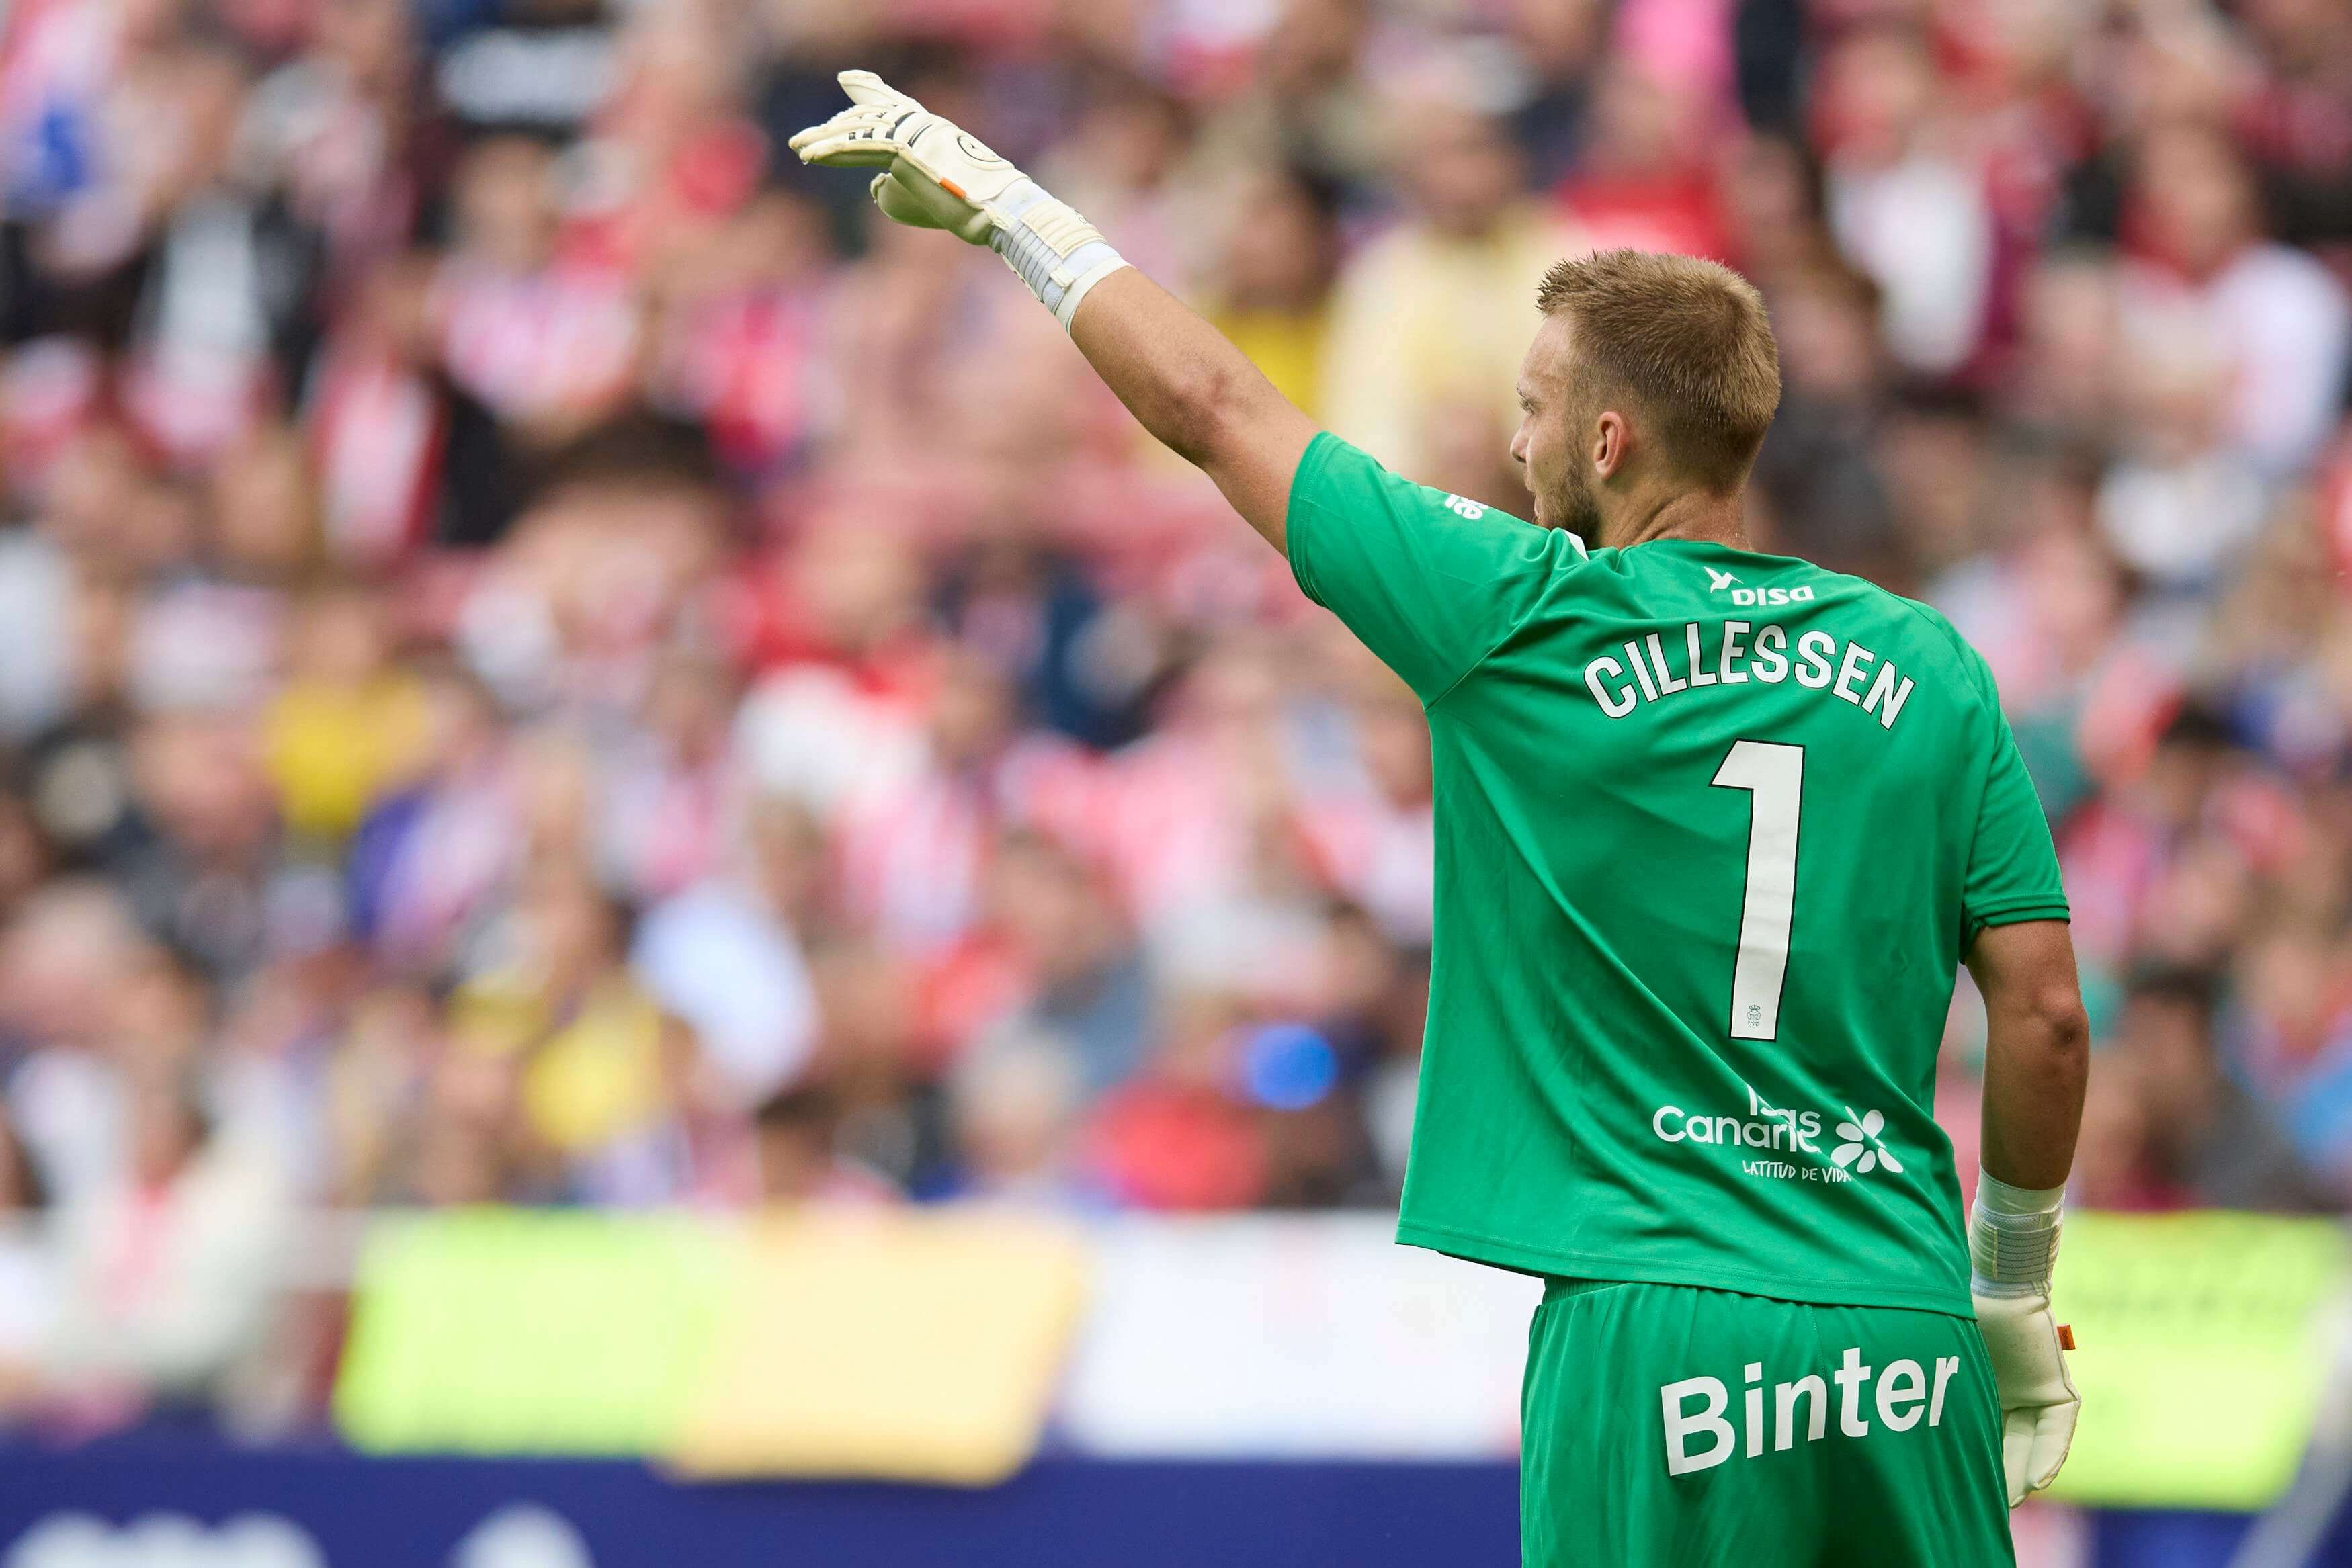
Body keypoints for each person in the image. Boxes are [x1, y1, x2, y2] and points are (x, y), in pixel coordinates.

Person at [792, 73, 2089, 1566]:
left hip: (1649, 1319)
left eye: (1533, 407)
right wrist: (2006, 1289)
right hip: (1900, 1317)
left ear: (1607, 444)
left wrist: (1013, 215)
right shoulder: (1930, 667)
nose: (1514, 437)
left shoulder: (1517, 619)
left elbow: (1214, 409)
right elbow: (2043, 1017)